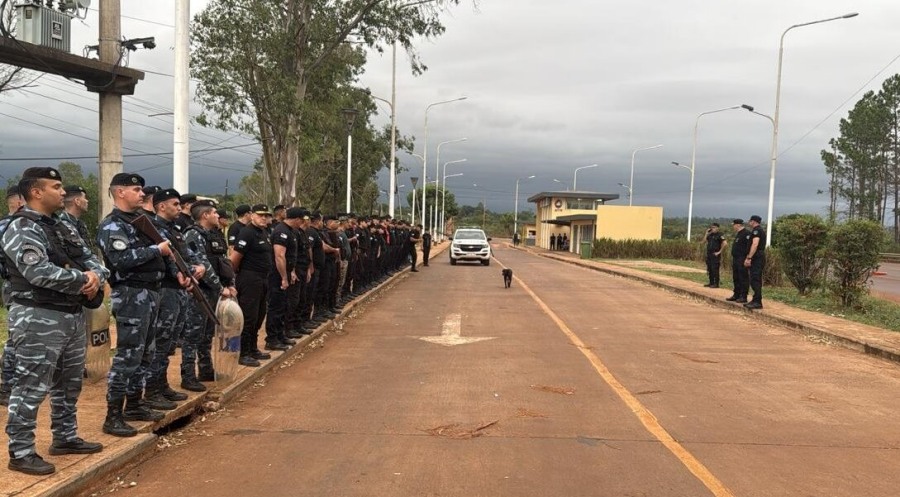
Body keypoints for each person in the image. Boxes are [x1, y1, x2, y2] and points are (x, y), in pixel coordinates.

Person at [3, 167, 109, 475]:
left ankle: (64, 437)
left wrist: (94, 276)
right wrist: (83, 279)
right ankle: (20, 451)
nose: (63, 192)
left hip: (71, 315)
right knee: (31, 386)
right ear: (36, 192)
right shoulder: (20, 227)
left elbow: (93, 261)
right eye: (56, 186)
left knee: (69, 383)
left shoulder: (62, 226)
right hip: (37, 316)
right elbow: (38, 272)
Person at [97, 173, 187, 438]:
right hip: (131, 294)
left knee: (145, 353)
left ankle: (134, 404)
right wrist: (156, 251)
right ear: (120, 192)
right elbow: (121, 259)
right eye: (136, 189)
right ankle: (113, 415)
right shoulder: (113, 225)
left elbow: (167, 252)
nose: (141, 194)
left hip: (152, 292)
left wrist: (175, 269)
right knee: (128, 355)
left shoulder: (141, 221)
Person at [145, 189, 205, 405]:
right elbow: (165, 260)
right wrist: (181, 273)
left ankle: (161, 385)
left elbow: (183, 256)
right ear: (161, 206)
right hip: (166, 289)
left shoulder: (174, 229)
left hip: (179, 290)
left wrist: (194, 269)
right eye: (175, 204)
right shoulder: (153, 228)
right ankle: (152, 391)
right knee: (161, 341)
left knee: (170, 341)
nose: (180, 208)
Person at [182, 200, 235, 385]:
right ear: (205, 215)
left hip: (215, 291)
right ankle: (188, 375)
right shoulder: (192, 234)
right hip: (200, 291)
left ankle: (205, 369)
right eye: (214, 212)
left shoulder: (214, 234)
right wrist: (220, 288)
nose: (218, 215)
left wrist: (230, 283)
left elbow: (225, 262)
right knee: (193, 335)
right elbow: (202, 264)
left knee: (207, 334)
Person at [230, 204, 274, 367]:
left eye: (266, 215)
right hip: (249, 278)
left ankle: (253, 347)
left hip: (262, 279)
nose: (264, 218)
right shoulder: (247, 232)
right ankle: (243, 352)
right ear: (252, 216)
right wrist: (231, 279)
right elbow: (235, 258)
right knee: (248, 316)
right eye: (260, 215)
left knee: (259, 314)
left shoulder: (264, 232)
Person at [265, 207, 301, 351]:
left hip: (285, 272)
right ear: (297, 219)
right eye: (301, 220)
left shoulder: (290, 231)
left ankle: (280, 335)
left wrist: (291, 271)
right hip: (276, 275)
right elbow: (279, 256)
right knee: (275, 307)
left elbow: (290, 256)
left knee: (283, 305)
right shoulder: (281, 231)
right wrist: (284, 277)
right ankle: (272, 339)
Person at [58, 185, 93, 250]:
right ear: (77, 201)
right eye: (85, 198)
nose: (87, 201)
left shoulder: (79, 224)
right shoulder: (62, 225)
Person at [744, 215, 766, 310]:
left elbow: (755, 244)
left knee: (755, 279)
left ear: (753, 221)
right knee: (753, 279)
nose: (749, 223)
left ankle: (757, 301)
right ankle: (755, 299)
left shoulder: (757, 231)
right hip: (756, 257)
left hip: (757, 257)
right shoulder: (757, 230)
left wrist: (749, 257)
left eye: (750, 221)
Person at [726, 219, 750, 304]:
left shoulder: (746, 233)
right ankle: (736, 294)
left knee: (743, 278)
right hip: (736, 258)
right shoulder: (739, 234)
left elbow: (749, 247)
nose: (733, 226)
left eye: (734, 225)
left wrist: (748, 258)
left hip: (742, 258)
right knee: (736, 277)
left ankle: (743, 296)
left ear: (738, 225)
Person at [703, 223, 726, 288]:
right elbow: (703, 241)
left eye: (714, 227)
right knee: (709, 268)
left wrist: (719, 252)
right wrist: (706, 233)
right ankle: (711, 282)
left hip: (715, 254)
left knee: (715, 269)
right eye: (711, 227)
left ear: (717, 228)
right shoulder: (710, 235)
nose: (712, 229)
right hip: (709, 254)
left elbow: (725, 243)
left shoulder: (720, 235)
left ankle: (716, 284)